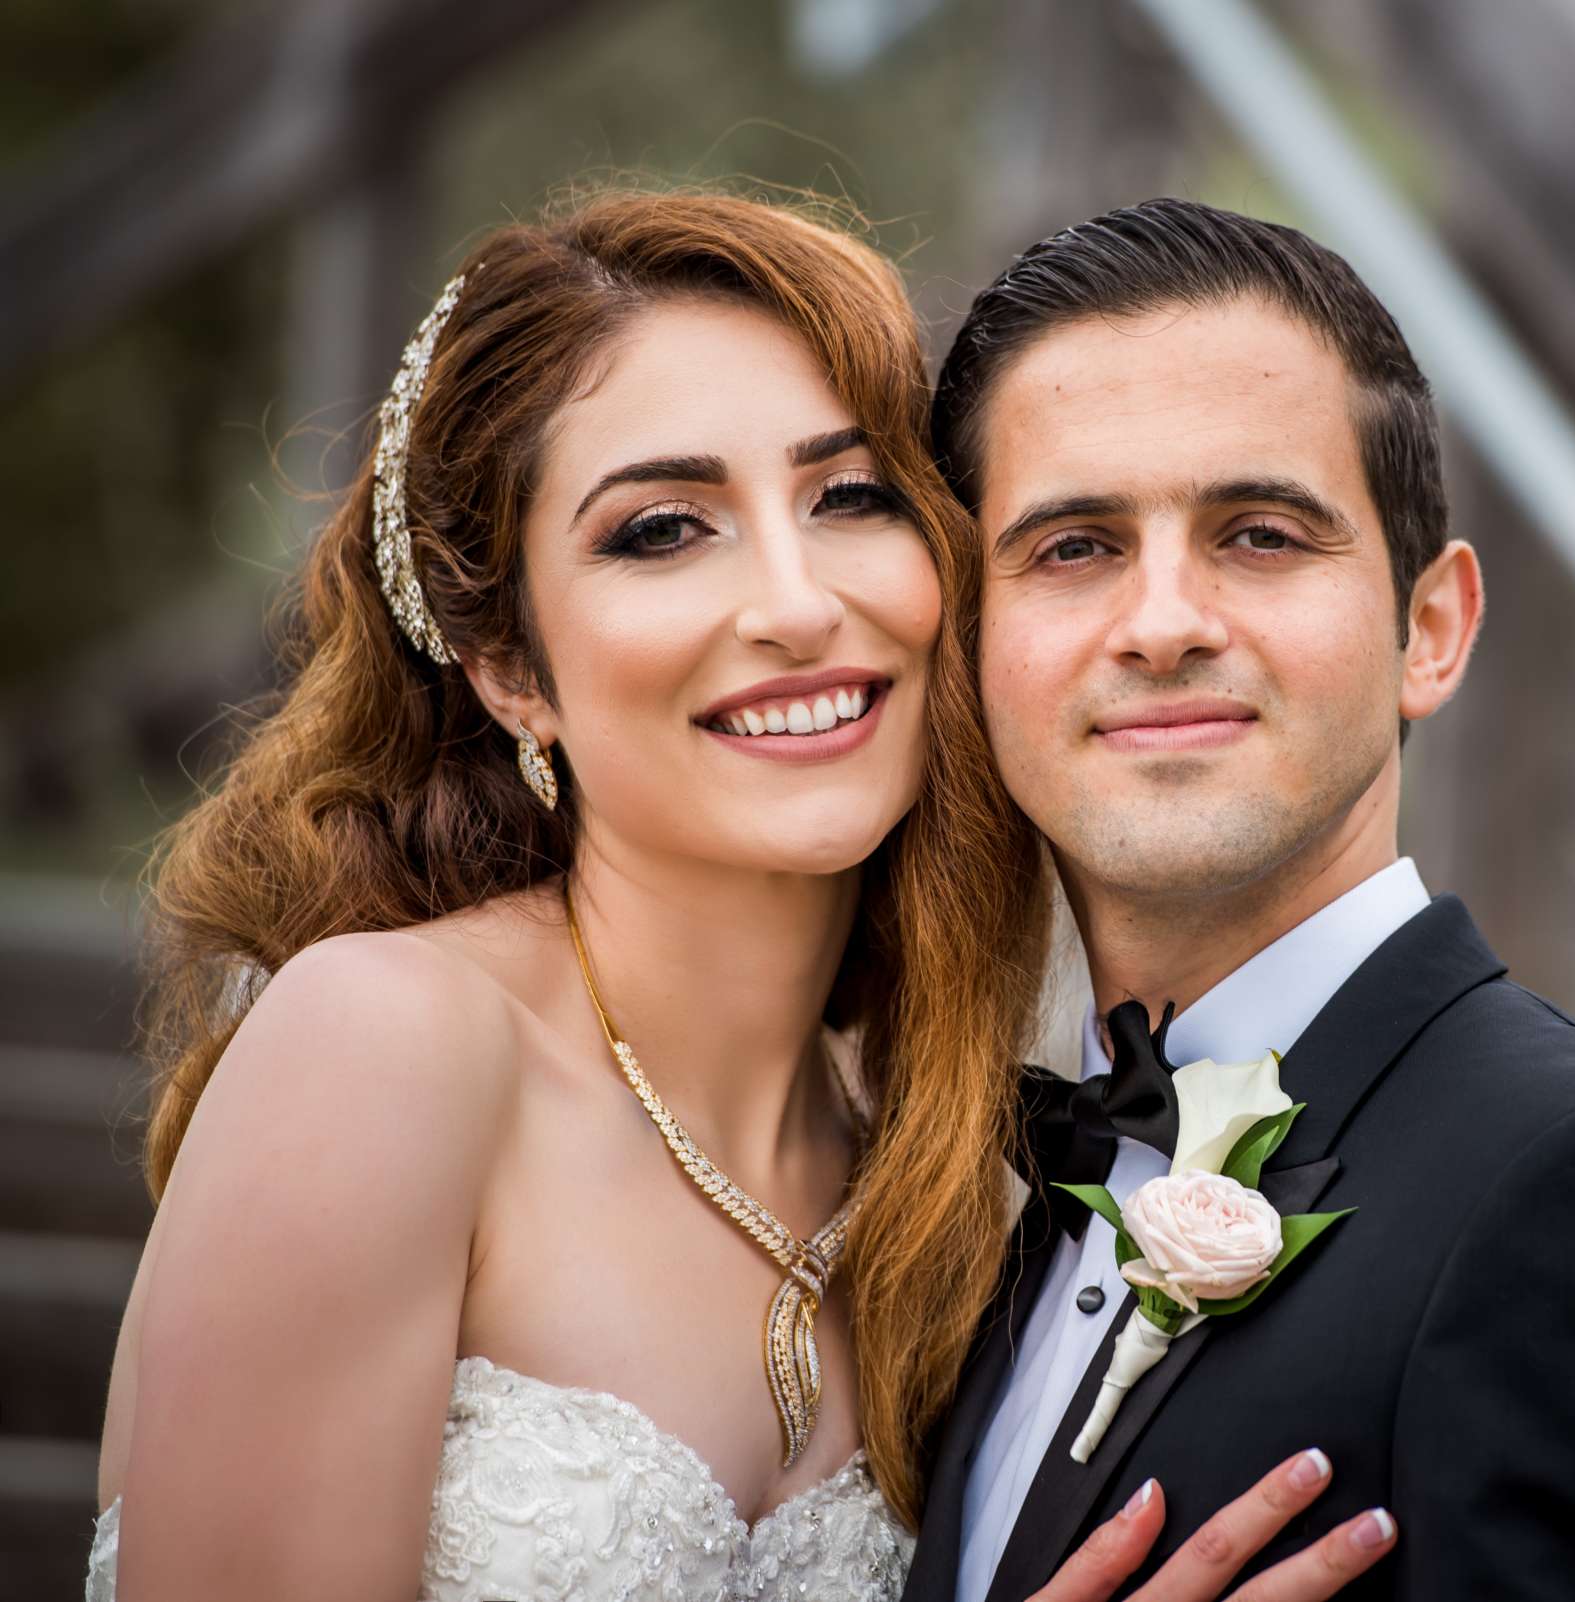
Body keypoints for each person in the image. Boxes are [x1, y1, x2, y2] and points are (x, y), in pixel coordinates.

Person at [87, 189, 1396, 1602]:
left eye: (850, 497)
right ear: (509, 666)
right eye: (661, 529)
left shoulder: (937, 1191)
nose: (793, 601)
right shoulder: (384, 1048)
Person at [907, 199, 1575, 1602]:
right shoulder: (966, 1214)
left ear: (1432, 628)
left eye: (1261, 535)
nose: (1165, 620)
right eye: (1074, 548)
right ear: (975, 649)